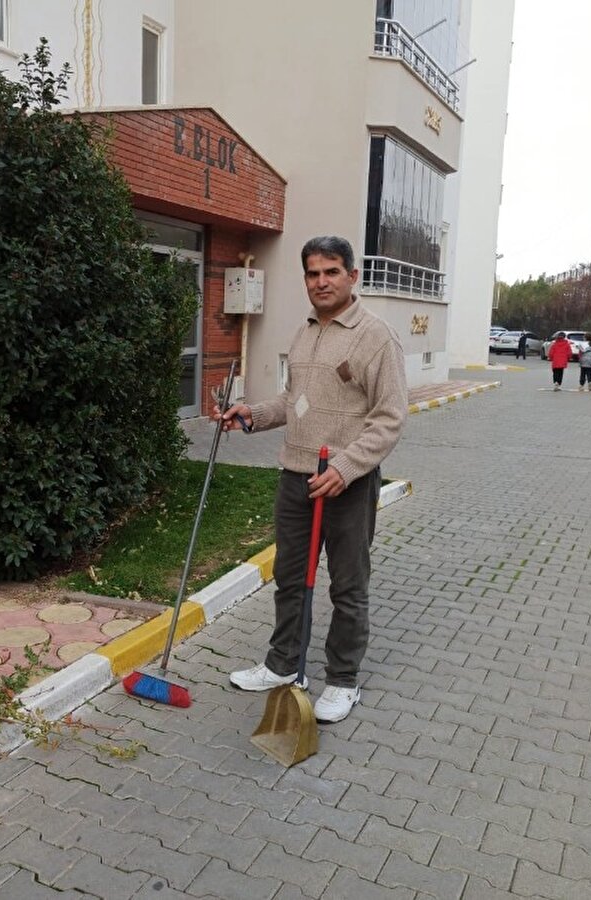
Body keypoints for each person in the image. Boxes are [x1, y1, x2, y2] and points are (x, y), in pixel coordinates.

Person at [215, 235, 407, 723]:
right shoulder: (303, 333)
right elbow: (294, 401)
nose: (321, 281)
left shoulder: (375, 336)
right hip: (296, 479)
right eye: (312, 273)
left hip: (348, 484)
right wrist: (252, 415)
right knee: (289, 579)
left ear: (352, 277)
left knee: (348, 587)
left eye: (331, 271)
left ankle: (342, 680)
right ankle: (283, 665)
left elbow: (389, 417)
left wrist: (345, 468)